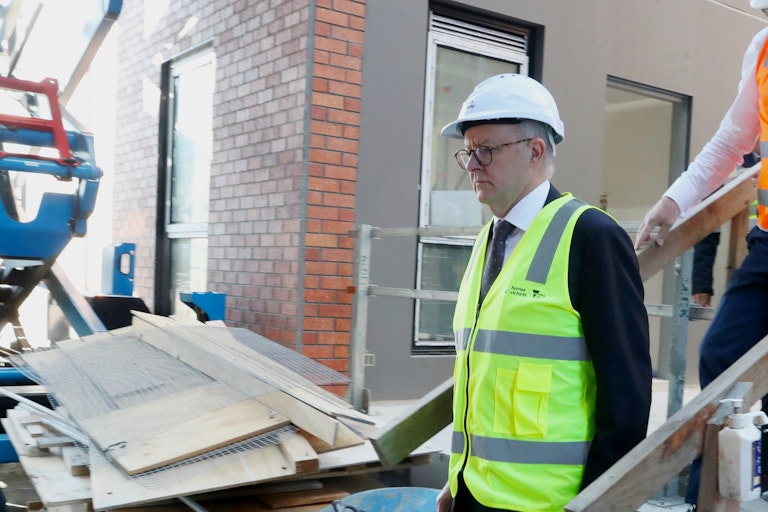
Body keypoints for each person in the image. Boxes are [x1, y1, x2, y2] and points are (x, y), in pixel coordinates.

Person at [435, 73, 653, 512]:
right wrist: (455, 482)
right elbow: (483, 378)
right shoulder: (486, 242)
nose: (472, 165)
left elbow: (626, 398)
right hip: (472, 494)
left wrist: (597, 504)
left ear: (535, 150)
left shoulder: (591, 237)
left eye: (486, 150)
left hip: (550, 505)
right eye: (468, 152)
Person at [634, 2, 768, 505]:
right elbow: (730, 144)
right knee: (722, 355)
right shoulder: (762, 49)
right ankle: (710, 497)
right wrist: (673, 202)